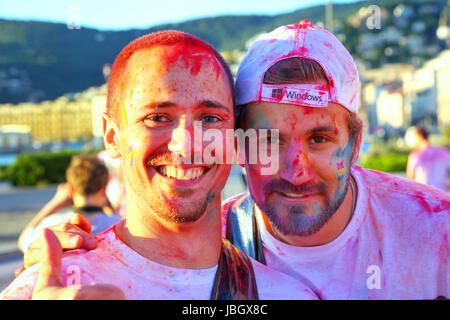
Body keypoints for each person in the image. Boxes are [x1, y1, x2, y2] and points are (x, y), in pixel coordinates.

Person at [17, 21, 449, 300]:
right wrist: (64, 258)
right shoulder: (210, 242)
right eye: (268, 139)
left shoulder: (436, 233)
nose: (295, 169)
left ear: (355, 144)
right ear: (239, 144)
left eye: (319, 138)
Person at [0, 30, 317, 300]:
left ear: (235, 137)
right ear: (112, 136)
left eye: (209, 118)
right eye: (157, 118)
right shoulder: (55, 286)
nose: (186, 144)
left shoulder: (288, 293)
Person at [18, 154, 121, 253]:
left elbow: (24, 241)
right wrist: (111, 207)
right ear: (104, 191)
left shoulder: (53, 225)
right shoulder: (117, 225)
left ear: (70, 190)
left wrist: (55, 203)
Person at [406, 126, 450, 192]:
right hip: (441, 193)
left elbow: (410, 176)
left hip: (424, 194)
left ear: (419, 136)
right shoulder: (444, 151)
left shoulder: (416, 154)